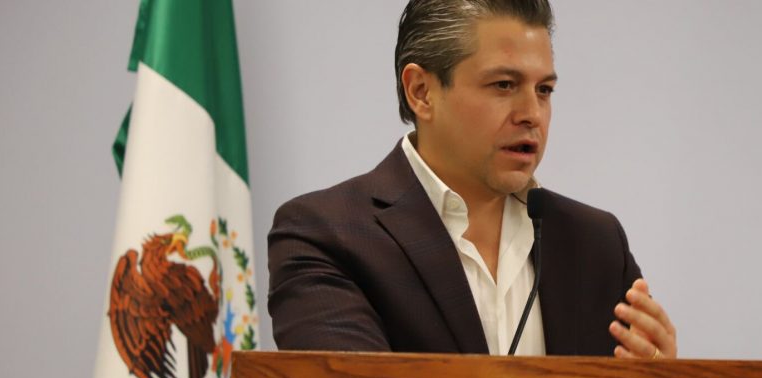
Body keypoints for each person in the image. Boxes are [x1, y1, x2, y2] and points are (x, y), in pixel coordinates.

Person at [267, 0, 677, 359]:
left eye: (544, 90)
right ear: (421, 91)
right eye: (504, 85)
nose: (532, 114)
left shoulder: (595, 243)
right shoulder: (326, 236)